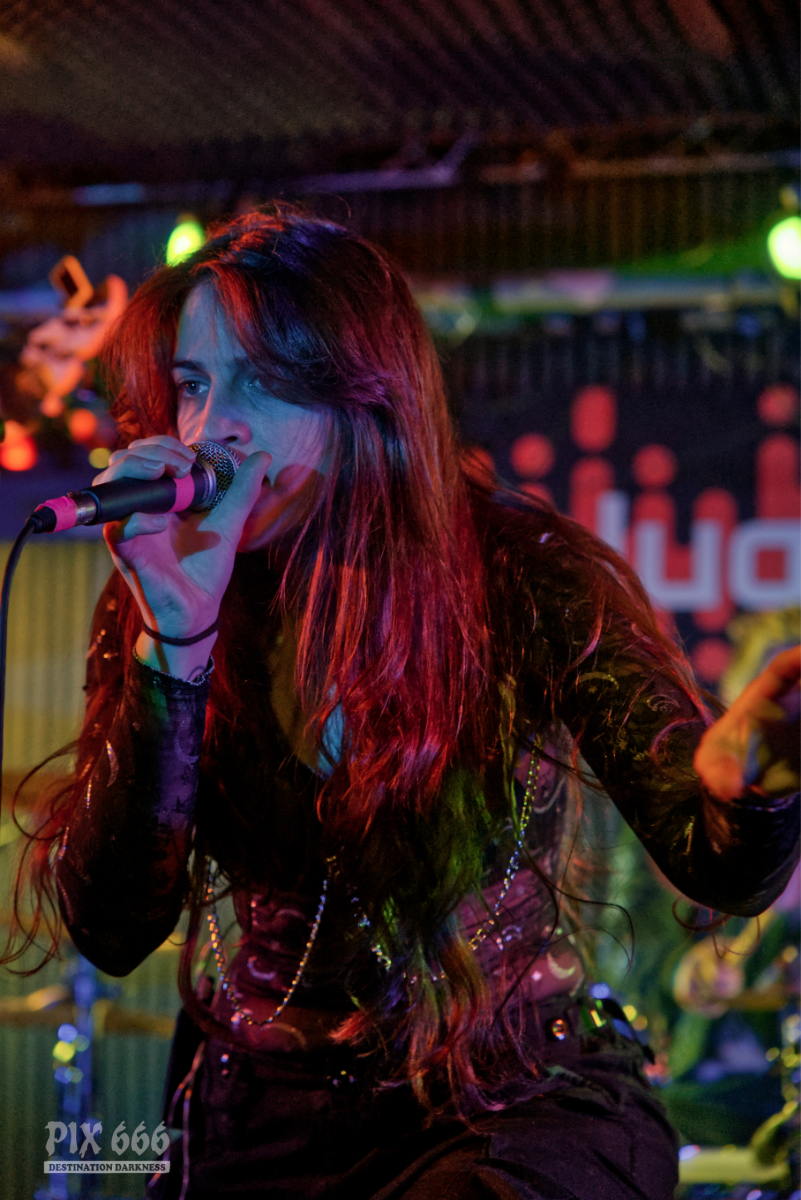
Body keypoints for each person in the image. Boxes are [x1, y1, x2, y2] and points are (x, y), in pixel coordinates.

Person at [6, 210, 799, 1200]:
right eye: (195, 386)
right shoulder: (166, 588)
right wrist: (177, 638)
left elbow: (717, 866)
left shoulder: (519, 572)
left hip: (505, 1097)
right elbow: (112, 928)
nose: (210, 430)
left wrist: (752, 789)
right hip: (261, 1114)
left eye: (262, 382)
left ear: (365, 398)